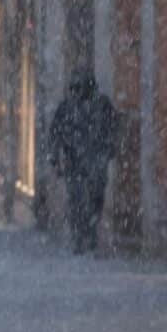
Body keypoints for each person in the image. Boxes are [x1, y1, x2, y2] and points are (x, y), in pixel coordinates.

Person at [48, 72, 119, 255]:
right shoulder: (69, 108)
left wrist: (110, 148)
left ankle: (87, 233)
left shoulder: (100, 105)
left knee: (90, 199)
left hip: (92, 161)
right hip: (78, 161)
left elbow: (114, 127)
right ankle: (81, 235)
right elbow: (55, 134)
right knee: (79, 200)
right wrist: (55, 158)